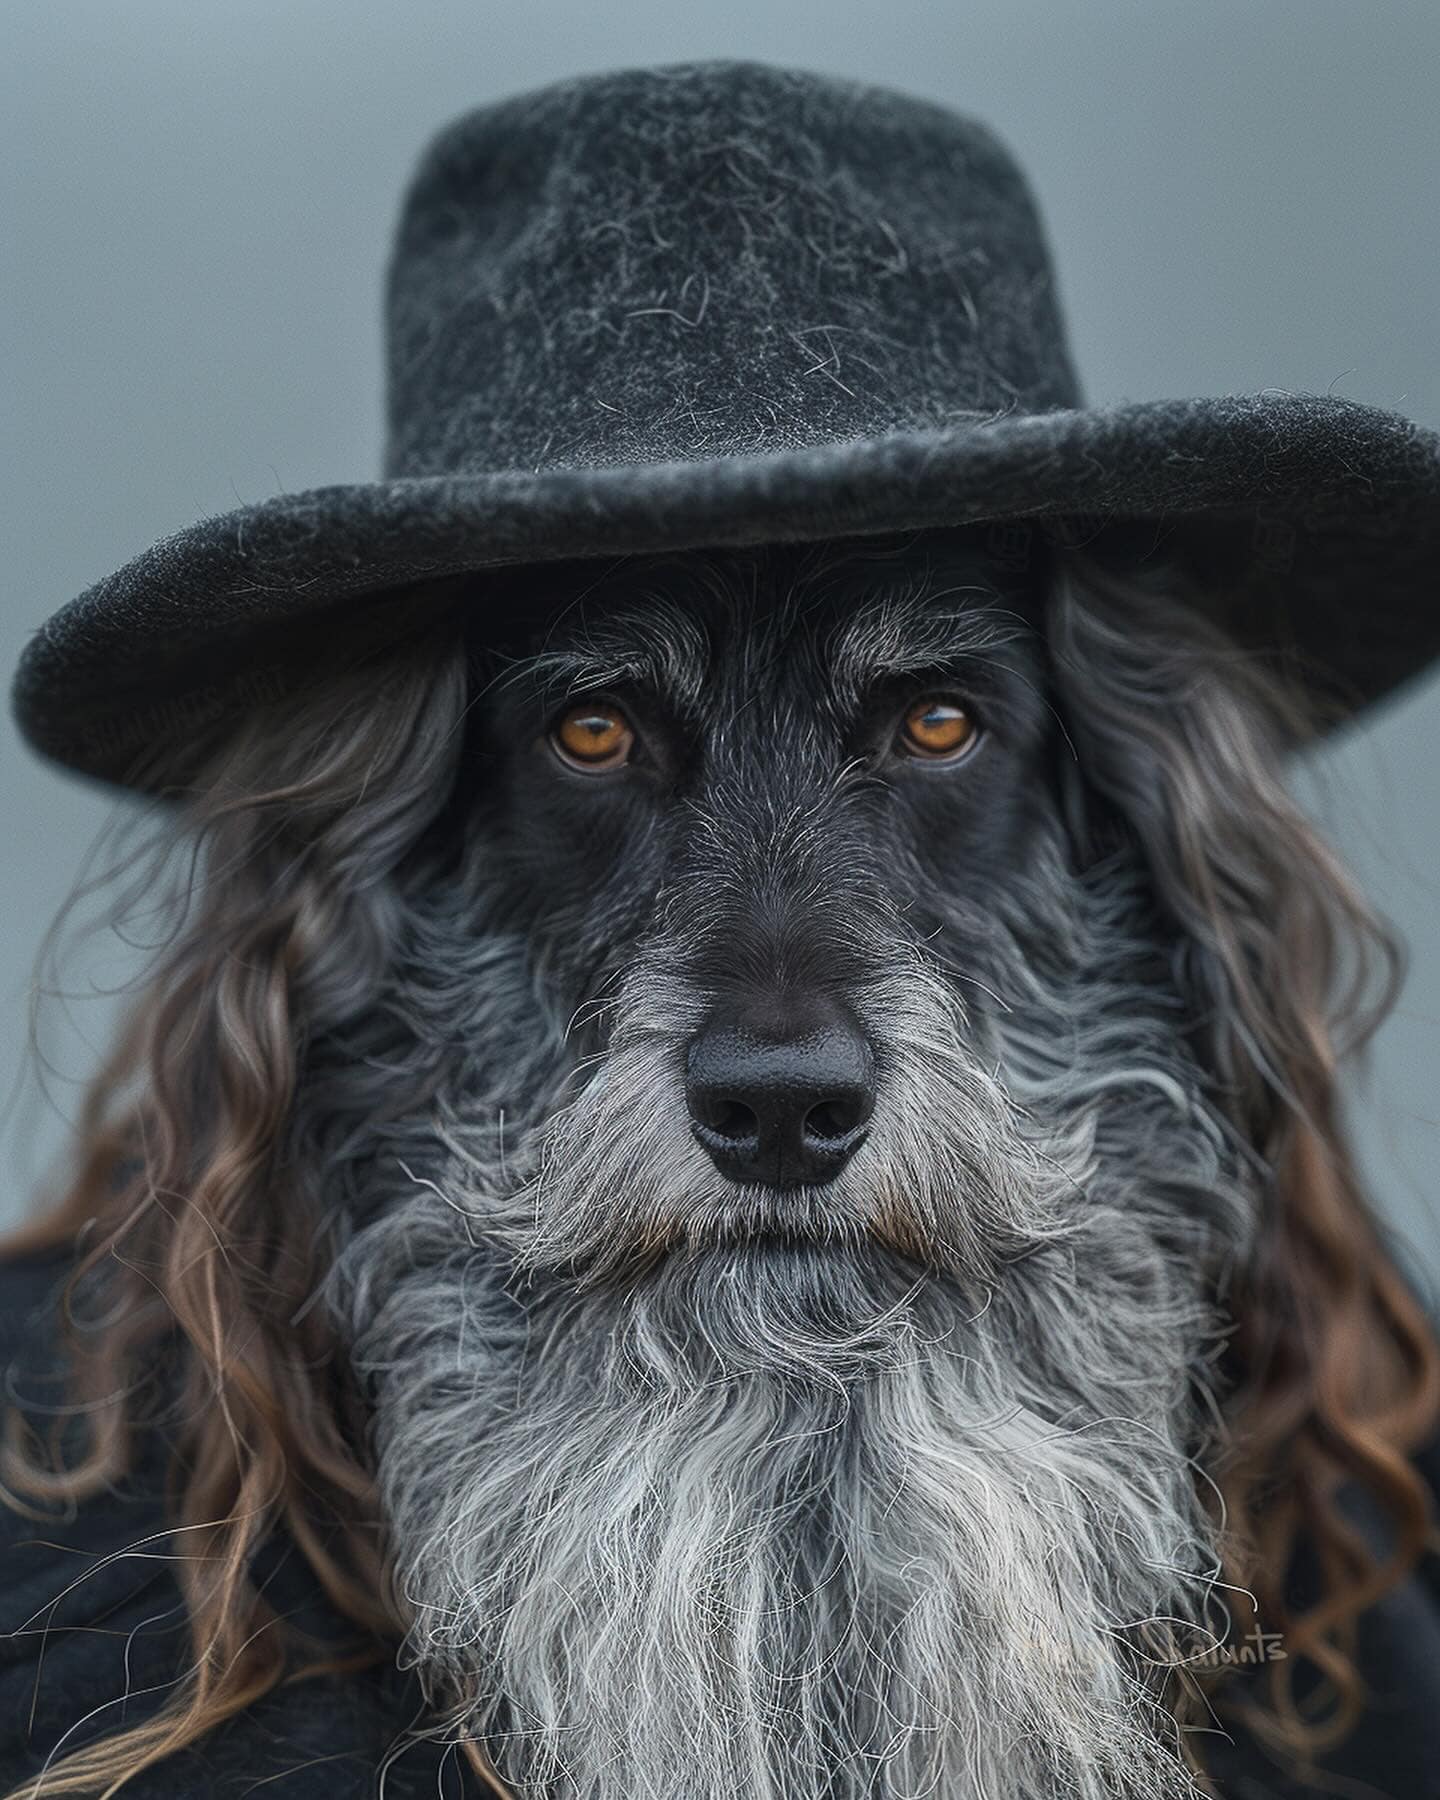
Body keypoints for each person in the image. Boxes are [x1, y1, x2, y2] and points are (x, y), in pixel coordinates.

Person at [5, 60, 1440, 1800]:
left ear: (1132, 855)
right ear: (383, 879)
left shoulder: (1370, 1599)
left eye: (934, 729)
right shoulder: (60, 1577)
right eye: (595, 736)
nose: (782, 1051)